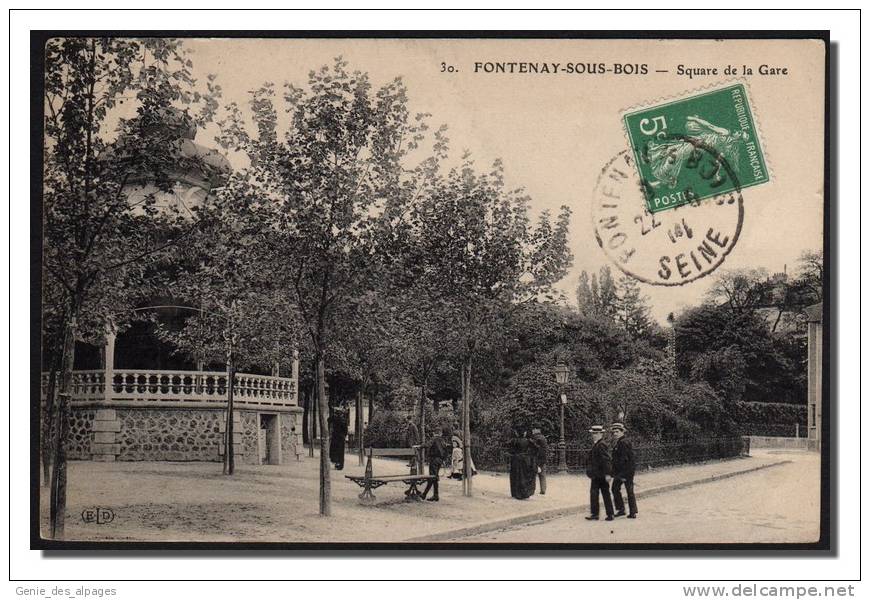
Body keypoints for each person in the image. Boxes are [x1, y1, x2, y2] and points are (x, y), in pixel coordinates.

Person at [585, 425, 614, 521]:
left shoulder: (601, 445)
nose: (594, 435)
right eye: (593, 433)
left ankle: (604, 514)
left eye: (596, 433)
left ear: (601, 434)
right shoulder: (597, 444)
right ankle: (598, 513)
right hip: (597, 474)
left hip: (600, 475)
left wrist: (608, 474)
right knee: (596, 494)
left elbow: (606, 460)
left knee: (603, 493)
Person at [610, 422, 638, 519]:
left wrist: (622, 475)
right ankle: (631, 511)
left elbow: (624, 459)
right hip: (627, 471)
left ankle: (622, 510)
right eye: (613, 432)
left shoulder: (623, 442)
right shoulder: (622, 441)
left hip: (624, 471)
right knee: (628, 490)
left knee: (615, 489)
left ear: (622, 432)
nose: (615, 434)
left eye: (617, 432)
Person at [421, 426, 451, 502]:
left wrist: (420, 446)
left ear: (435, 433)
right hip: (439, 460)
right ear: (440, 433)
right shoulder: (442, 440)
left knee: (432, 477)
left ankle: (425, 494)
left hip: (434, 460)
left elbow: (427, 445)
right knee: (434, 478)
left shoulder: (434, 439)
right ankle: (435, 495)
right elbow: (446, 450)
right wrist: (443, 459)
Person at [508, 429, 537, 499]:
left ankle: (516, 493)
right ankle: (525, 493)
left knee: (516, 476)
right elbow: (536, 448)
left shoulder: (514, 440)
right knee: (524, 476)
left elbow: (509, 449)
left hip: (516, 460)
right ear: (524, 433)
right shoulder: (528, 441)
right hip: (525, 460)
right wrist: (530, 455)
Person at [530, 427, 549, 495]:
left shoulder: (535, 438)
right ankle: (543, 490)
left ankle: (532, 490)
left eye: (533, 429)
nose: (532, 431)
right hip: (543, 459)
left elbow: (534, 448)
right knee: (542, 475)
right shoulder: (543, 438)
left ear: (536, 430)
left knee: (533, 475)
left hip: (536, 459)